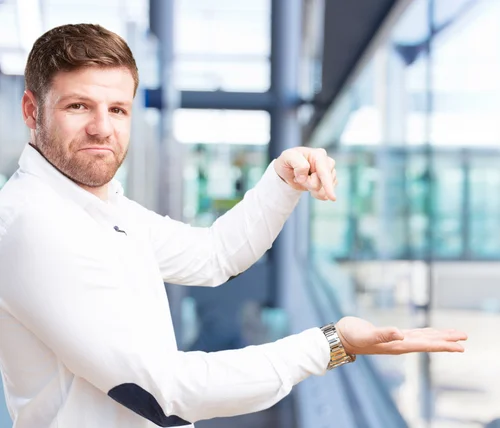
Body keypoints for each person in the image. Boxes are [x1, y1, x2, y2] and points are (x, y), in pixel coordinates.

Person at [0, 24, 467, 428]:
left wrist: (283, 178)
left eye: (118, 109)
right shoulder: (34, 225)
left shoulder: (99, 207)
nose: (103, 128)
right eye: (79, 106)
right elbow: (165, 393)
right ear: (31, 110)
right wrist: (331, 344)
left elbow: (214, 256)